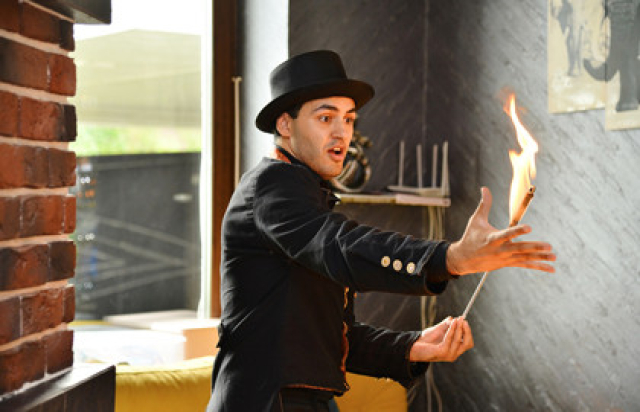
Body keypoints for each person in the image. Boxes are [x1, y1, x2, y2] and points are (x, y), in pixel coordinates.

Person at [207, 50, 555, 412]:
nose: (342, 132)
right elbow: (340, 245)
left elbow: (336, 338)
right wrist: (448, 258)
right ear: (285, 125)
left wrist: (414, 346)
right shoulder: (271, 186)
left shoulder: (306, 196)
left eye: (349, 119)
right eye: (325, 118)